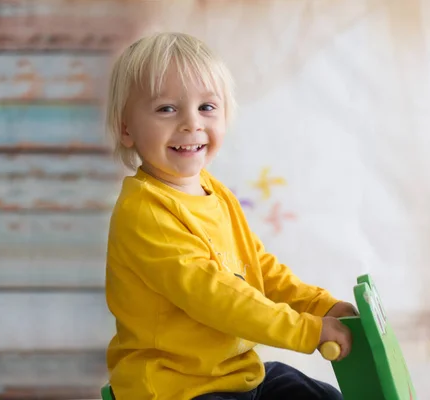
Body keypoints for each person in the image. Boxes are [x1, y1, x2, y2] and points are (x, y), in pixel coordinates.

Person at [103, 31, 357, 400]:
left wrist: (320, 306)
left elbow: (260, 270)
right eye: (166, 109)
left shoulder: (216, 193)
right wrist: (308, 330)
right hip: (175, 387)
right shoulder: (144, 212)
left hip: (236, 374)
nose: (191, 123)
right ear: (126, 128)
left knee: (320, 396)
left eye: (206, 107)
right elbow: (218, 298)